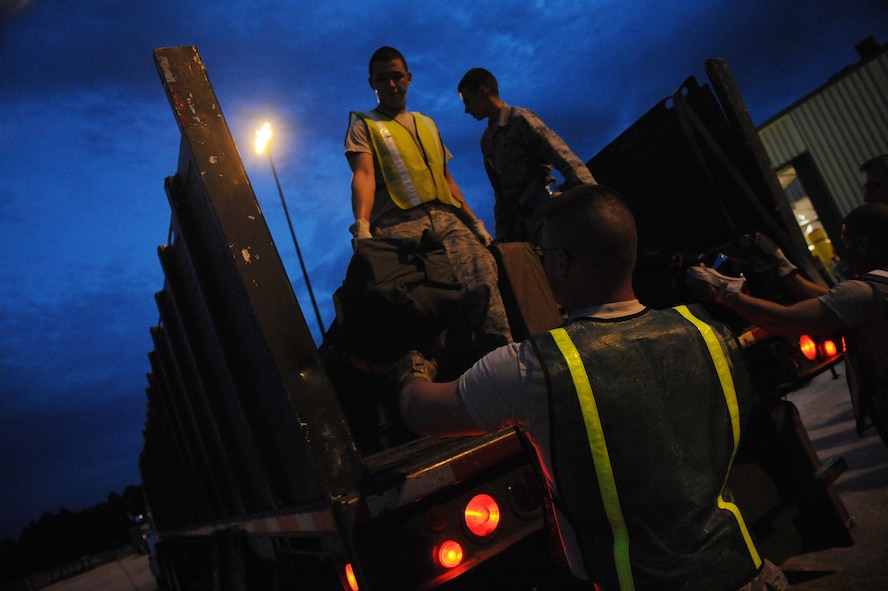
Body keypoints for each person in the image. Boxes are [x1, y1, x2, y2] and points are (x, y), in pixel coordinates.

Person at [397, 185, 787, 590]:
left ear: (563, 262)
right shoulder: (708, 334)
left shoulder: (532, 367)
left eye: (544, 255)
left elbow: (420, 411)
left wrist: (410, 368)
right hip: (750, 574)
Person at [344, 47, 512, 354]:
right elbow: (364, 175)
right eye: (383, 79)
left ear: (408, 78)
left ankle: (501, 359)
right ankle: (443, 378)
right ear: (372, 84)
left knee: (482, 277)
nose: (391, 84)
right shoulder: (363, 124)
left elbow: (446, 180)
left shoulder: (427, 124)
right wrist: (363, 227)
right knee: (424, 305)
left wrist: (474, 223)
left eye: (397, 76)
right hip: (399, 229)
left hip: (446, 221)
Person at [689, 202, 888, 449]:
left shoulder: (862, 293)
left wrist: (724, 292)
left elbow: (783, 321)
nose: (841, 251)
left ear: (863, 245)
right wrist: (784, 265)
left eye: (846, 243)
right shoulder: (877, 284)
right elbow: (829, 300)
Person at [457, 67, 597, 243]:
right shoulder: (486, 141)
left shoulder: (519, 119)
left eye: (468, 102)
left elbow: (560, 154)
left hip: (547, 213)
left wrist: (593, 197)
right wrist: (503, 239)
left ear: (483, 91)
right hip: (522, 229)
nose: (466, 110)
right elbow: (500, 195)